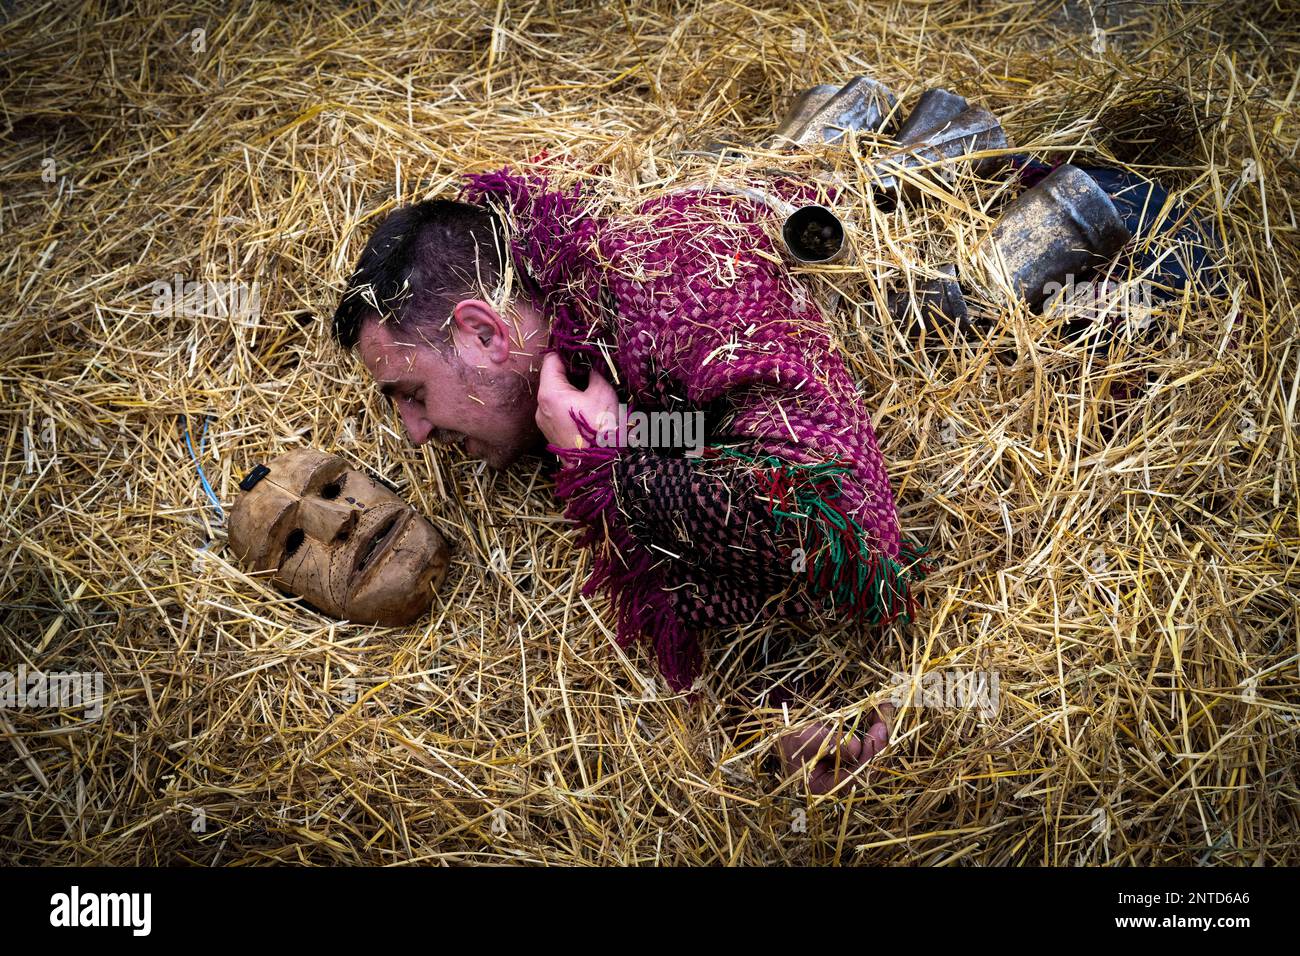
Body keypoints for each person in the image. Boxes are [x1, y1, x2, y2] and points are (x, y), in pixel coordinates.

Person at [330, 155, 931, 793]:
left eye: (413, 393)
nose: (415, 434)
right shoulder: (579, 316)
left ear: (484, 334)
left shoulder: (679, 292)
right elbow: (700, 433)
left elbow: (831, 522)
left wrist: (617, 455)